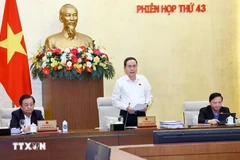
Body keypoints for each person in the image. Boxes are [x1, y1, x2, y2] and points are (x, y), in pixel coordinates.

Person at [112, 57, 153, 126]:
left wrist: (147, 104)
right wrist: (126, 107)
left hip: (141, 114)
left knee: (142, 135)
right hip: (126, 114)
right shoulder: (120, 82)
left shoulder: (143, 79)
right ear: (124, 68)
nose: (132, 68)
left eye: (134, 66)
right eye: (129, 66)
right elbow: (114, 100)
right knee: (127, 136)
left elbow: (149, 96)